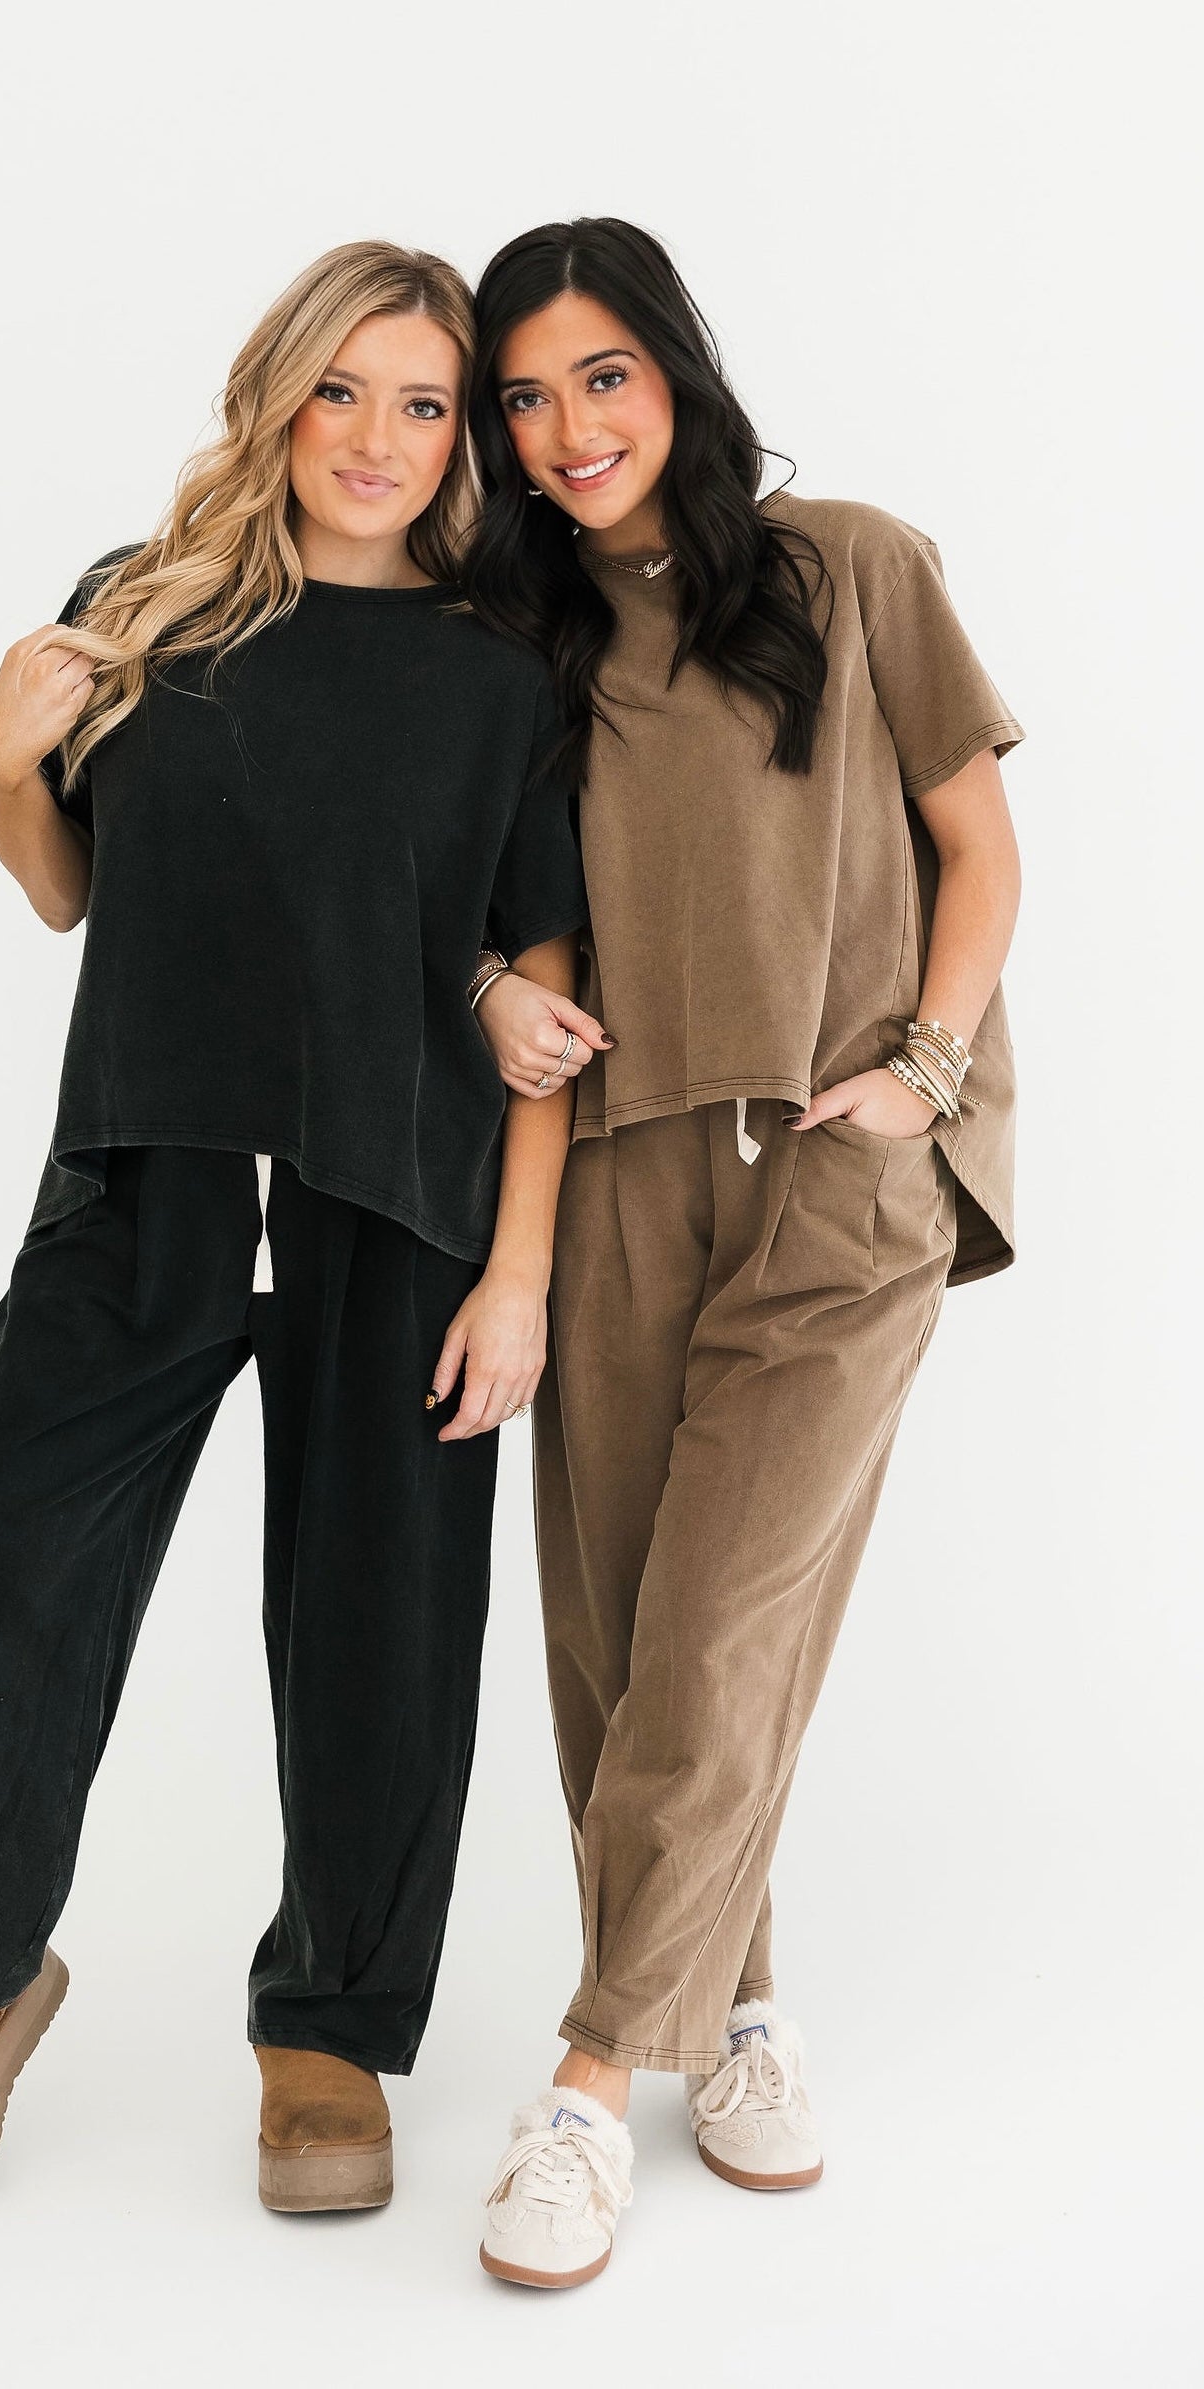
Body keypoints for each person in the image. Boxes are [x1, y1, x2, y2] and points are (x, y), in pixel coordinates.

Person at [0, 241, 586, 2232]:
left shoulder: (503, 671)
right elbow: (67, 889)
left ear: (460, 440)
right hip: (143, 1166)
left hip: (400, 1193)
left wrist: (519, 1273)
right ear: (274, 396)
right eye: (340, 390)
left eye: (422, 404)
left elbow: (543, 987)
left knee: (379, 1615)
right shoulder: (145, 602)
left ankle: (329, 2018)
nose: (375, 439)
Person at [461, 217, 1023, 2288]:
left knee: (710, 1635)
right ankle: (743, 2007)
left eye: (599, 375)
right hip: (615, 1172)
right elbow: (489, 935)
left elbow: (977, 849)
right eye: (523, 398)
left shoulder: (853, 567)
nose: (566, 429)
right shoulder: (512, 647)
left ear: (676, 372)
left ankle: (589, 2081)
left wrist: (921, 1072)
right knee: (621, 1651)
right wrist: (480, 1011)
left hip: (835, 1171)